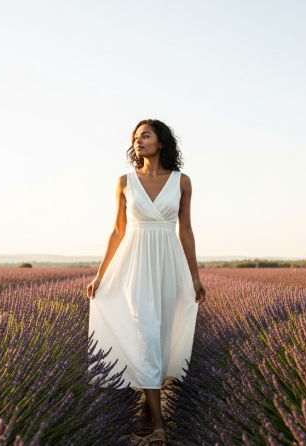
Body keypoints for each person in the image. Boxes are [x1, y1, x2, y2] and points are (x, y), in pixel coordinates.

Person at [87, 119, 207, 446]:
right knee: (145, 333)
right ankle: (159, 424)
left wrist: (195, 277)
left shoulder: (182, 182)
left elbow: (186, 231)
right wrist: (101, 274)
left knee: (161, 336)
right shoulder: (125, 181)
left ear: (161, 142)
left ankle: (145, 408)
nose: (138, 141)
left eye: (145, 136)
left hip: (169, 264)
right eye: (135, 137)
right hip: (134, 264)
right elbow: (117, 230)